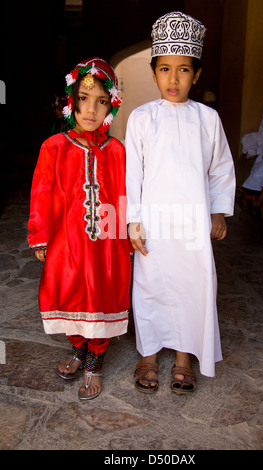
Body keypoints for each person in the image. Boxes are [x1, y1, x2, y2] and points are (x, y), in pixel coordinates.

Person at [125, 12, 236, 394]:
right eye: (166, 69)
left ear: (197, 74)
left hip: (191, 223)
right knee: (151, 284)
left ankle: (186, 355)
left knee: (194, 284)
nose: (174, 80)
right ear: (154, 72)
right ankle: (150, 353)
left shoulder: (208, 119)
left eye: (184, 70)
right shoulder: (141, 119)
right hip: (153, 222)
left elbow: (220, 167)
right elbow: (133, 175)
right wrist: (132, 220)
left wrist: (218, 210)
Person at [28, 57, 131, 400]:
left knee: (100, 296)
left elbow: (124, 194)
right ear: (71, 101)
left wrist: (125, 237)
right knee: (68, 292)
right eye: (84, 99)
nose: (91, 109)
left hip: (105, 247)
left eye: (101, 101)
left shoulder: (116, 151)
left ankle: (95, 362)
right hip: (66, 243)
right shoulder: (53, 147)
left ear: (111, 106)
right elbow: (41, 192)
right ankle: (78, 349)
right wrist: (39, 234)